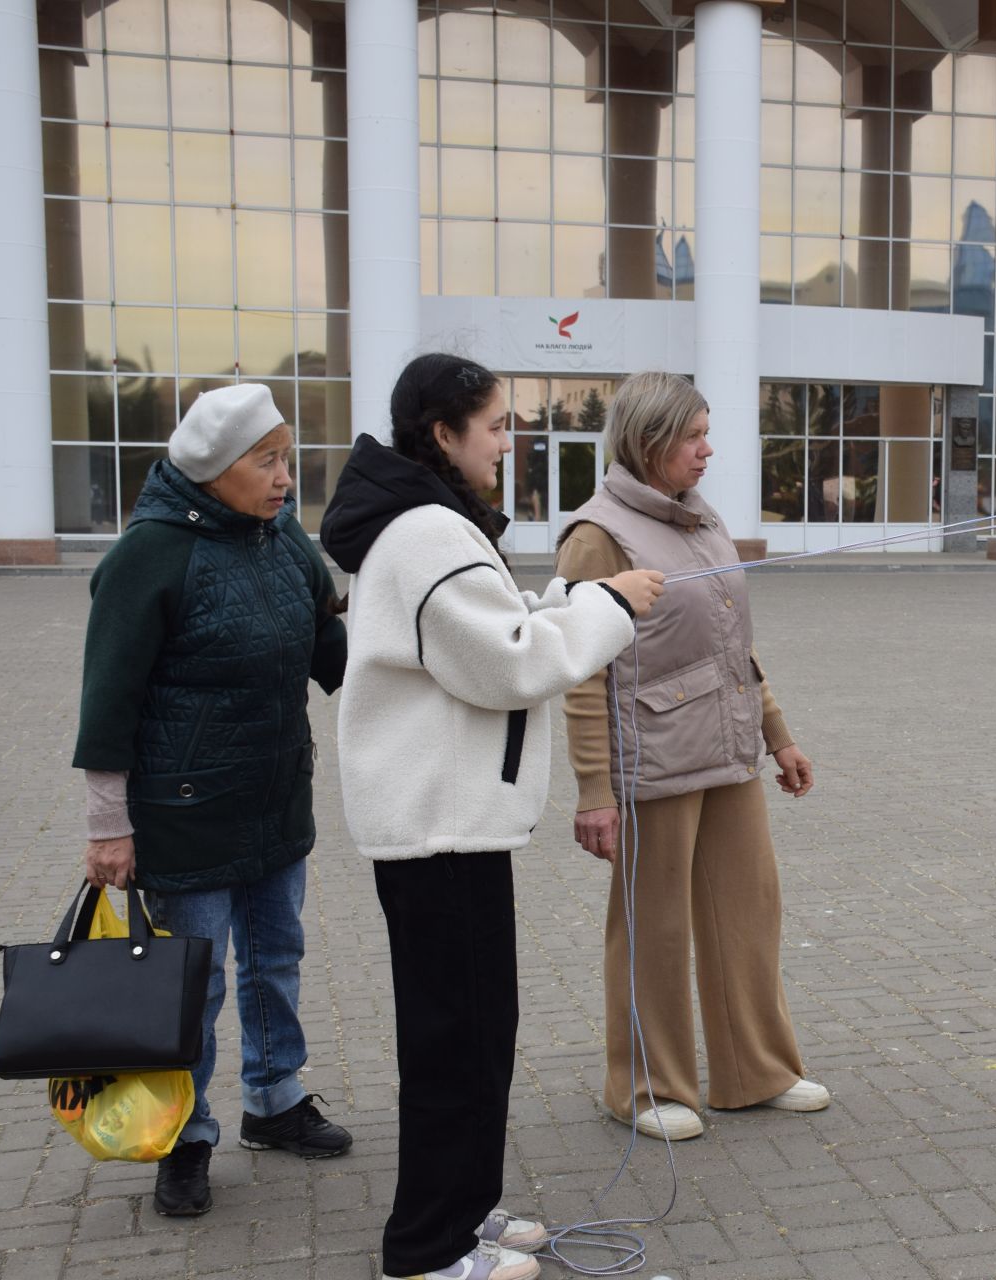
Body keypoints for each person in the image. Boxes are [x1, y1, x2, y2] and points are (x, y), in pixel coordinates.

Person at [321, 353, 662, 1280]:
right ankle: (427, 1248)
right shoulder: (427, 530)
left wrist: (569, 603)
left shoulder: (428, 526)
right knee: (454, 1041)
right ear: (444, 433)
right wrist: (607, 605)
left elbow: (493, 626)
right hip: (439, 829)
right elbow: (505, 663)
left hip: (454, 824)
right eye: (500, 425)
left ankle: (466, 1211)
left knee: (478, 1030)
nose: (511, 443)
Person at [72, 383, 353, 1220]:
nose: (284, 478)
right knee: (194, 984)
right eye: (266, 461)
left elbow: (338, 658)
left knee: (276, 960)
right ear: (211, 467)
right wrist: (107, 827)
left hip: (275, 803)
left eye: (287, 459)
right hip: (185, 813)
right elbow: (107, 705)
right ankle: (184, 1136)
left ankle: (274, 1100)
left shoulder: (286, 546)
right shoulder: (148, 555)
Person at [557, 371, 827, 1143]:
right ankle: (643, 1088)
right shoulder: (597, 534)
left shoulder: (702, 521)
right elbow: (582, 671)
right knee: (655, 928)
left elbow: (731, 643)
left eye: (709, 433)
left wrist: (779, 734)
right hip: (653, 760)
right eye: (694, 436)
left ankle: (757, 1071)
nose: (709, 451)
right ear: (648, 441)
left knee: (748, 913)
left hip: (730, 751)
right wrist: (592, 791)